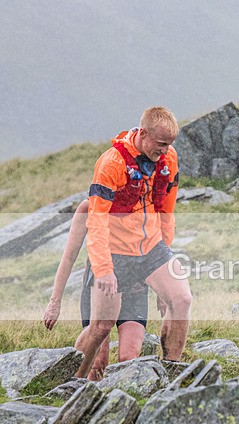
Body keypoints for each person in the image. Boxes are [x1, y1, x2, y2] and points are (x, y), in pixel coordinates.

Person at [75, 106, 192, 378]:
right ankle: (70, 382)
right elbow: (97, 221)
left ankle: (172, 371)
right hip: (114, 253)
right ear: (143, 134)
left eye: (169, 145)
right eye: (160, 144)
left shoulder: (168, 159)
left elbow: (166, 209)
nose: (164, 151)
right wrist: (103, 269)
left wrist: (165, 255)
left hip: (152, 248)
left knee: (181, 299)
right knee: (100, 327)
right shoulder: (112, 163)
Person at [43, 200, 150, 381]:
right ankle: (73, 392)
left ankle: (120, 405)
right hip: (100, 290)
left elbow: (156, 248)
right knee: (98, 363)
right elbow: (69, 256)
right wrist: (55, 301)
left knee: (129, 358)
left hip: (134, 290)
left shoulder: (145, 203)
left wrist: (165, 291)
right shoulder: (89, 207)